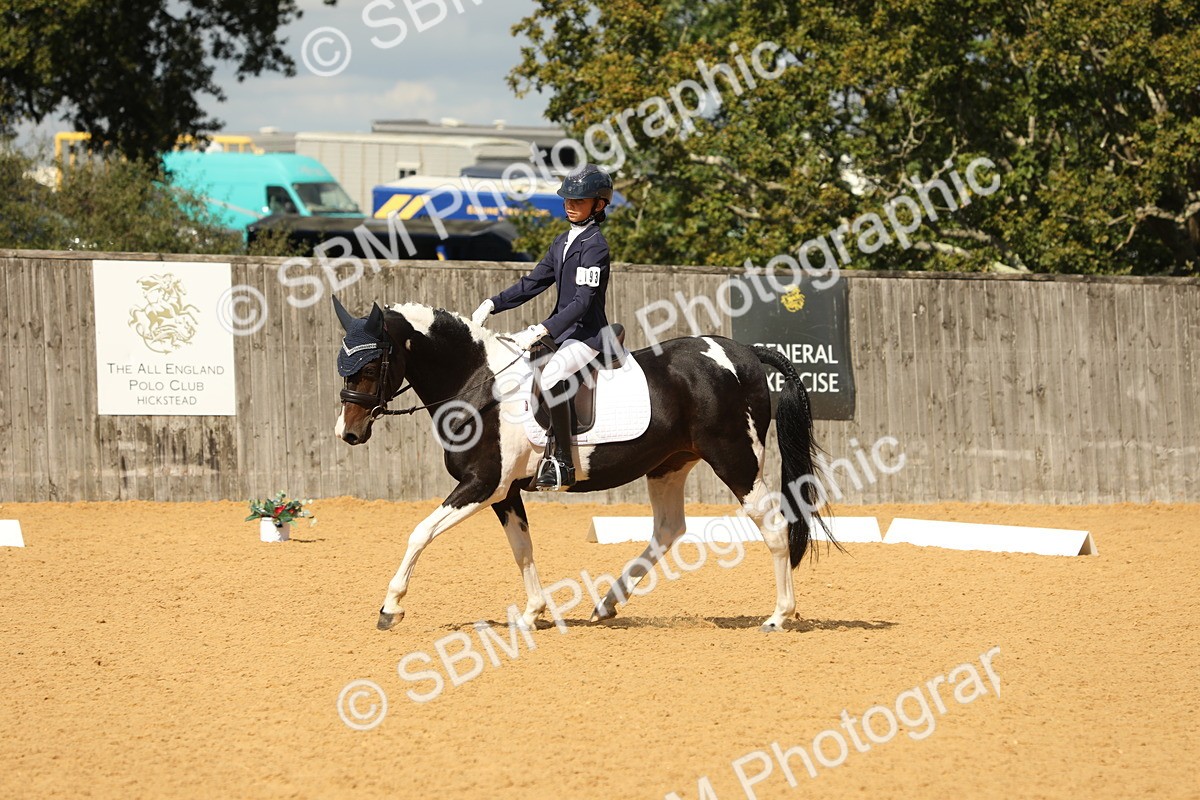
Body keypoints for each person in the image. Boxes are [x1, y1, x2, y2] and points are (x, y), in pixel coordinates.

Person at [471, 163, 615, 490]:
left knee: (551, 377)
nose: (570, 205)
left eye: (579, 201)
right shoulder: (562, 241)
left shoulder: (595, 246)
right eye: (568, 199)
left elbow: (583, 301)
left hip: (587, 336)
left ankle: (563, 461)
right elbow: (533, 283)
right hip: (563, 333)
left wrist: (544, 328)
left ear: (599, 205)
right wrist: (492, 303)